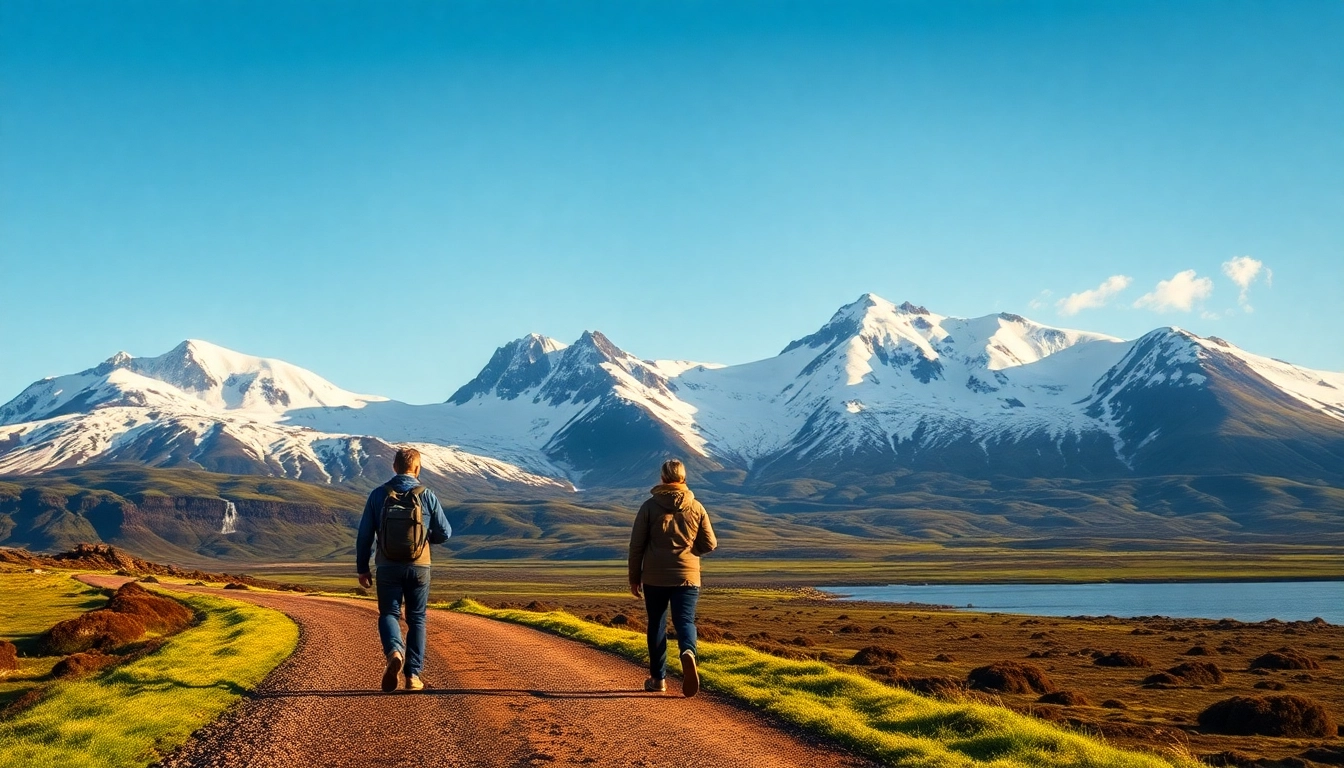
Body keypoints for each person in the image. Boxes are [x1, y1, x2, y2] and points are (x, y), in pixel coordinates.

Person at [357, 447, 452, 692]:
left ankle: (394, 652)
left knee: (389, 614)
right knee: (417, 618)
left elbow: (365, 535)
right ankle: (413, 676)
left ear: (394, 467)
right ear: (417, 469)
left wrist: (362, 568)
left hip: (387, 566)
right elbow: (446, 532)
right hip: (419, 566)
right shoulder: (427, 495)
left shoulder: (378, 495)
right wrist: (425, 538)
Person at [628, 458, 718, 697]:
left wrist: (634, 577)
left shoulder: (649, 506)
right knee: (685, 622)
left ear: (663, 478)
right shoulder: (696, 506)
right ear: (684, 478)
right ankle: (688, 652)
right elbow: (710, 543)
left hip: (655, 578)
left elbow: (636, 546)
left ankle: (658, 680)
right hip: (688, 577)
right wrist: (689, 552)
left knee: (656, 623)